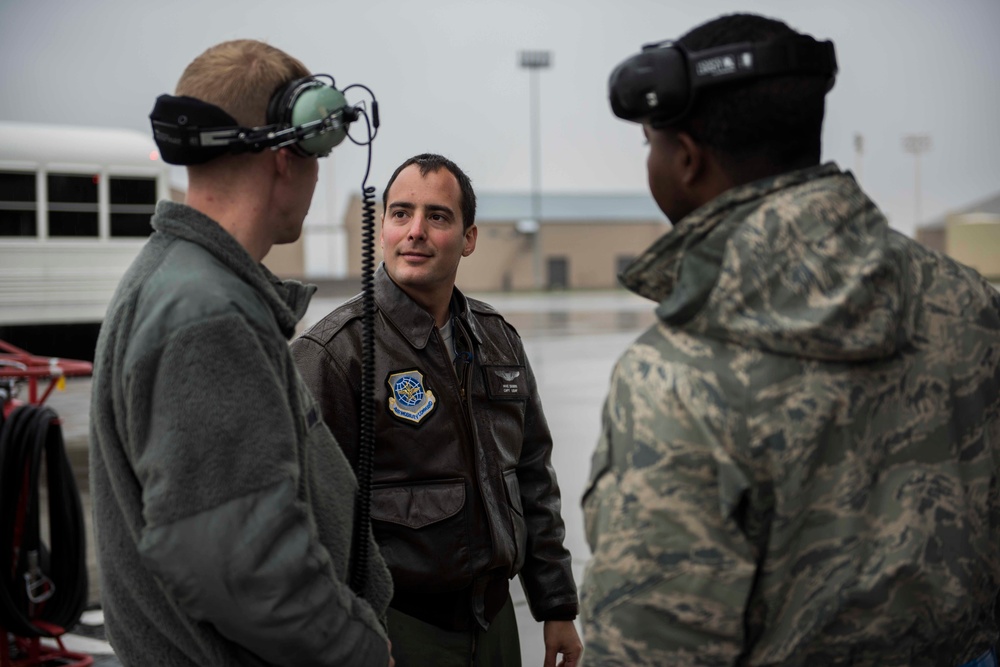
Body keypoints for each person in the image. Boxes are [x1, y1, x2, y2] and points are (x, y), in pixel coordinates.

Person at [581, 12, 1000, 667]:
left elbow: (651, 645)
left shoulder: (677, 376)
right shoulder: (972, 305)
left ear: (686, 160)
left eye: (650, 144)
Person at [89, 39, 394, 666]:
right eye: (319, 154)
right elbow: (241, 566)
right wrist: (356, 649)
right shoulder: (206, 315)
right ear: (286, 156)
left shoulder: (187, 282)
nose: (318, 175)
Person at [290, 153, 583, 667]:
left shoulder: (498, 340)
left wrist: (556, 604)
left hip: (495, 625)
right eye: (400, 213)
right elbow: (306, 516)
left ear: (469, 238)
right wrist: (344, 633)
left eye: (438, 217)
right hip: (397, 630)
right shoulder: (337, 353)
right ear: (382, 225)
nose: (416, 231)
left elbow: (533, 476)